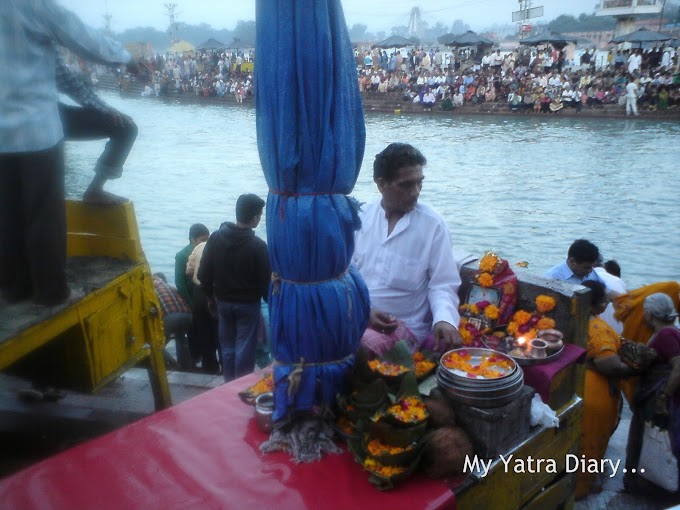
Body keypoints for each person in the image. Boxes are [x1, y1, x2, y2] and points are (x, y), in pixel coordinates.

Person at [0, 0, 132, 305]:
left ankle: (16, 288)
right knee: (44, 212)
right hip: (35, 127)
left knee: (9, 212)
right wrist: (125, 58)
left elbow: (65, 76)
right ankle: (51, 292)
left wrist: (102, 107)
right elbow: (78, 34)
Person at [353, 143, 462, 357]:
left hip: (403, 325)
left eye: (420, 184)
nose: (416, 192)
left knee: (358, 349)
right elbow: (345, 274)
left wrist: (444, 320)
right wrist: (364, 312)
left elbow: (443, 283)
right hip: (357, 314)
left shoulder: (433, 224)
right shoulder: (361, 217)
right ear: (381, 184)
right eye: (406, 185)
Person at [198, 194, 271, 382]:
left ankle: (228, 385)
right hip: (248, 306)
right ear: (254, 217)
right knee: (244, 350)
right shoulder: (259, 246)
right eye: (260, 215)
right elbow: (265, 283)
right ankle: (239, 387)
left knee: (228, 349)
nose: (260, 218)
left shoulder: (215, 239)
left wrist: (210, 296)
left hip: (223, 303)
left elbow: (203, 273)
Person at [576, 280, 637, 499]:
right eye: (604, 300)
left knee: (576, 439)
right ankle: (582, 487)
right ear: (598, 304)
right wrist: (631, 367)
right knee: (591, 441)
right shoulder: (597, 328)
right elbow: (608, 364)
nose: (606, 304)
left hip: (576, 385)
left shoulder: (571, 318)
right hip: (595, 392)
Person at [56, 57, 138, 205]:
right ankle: (95, 189)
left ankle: (95, 191)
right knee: (125, 128)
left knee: (125, 127)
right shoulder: (40, 36)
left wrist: (105, 108)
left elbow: (68, 81)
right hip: (42, 118)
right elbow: (69, 82)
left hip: (46, 117)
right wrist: (123, 57)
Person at [624, 293, 680, 499]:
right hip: (658, 395)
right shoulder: (668, 332)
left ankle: (655, 486)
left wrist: (664, 397)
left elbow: (678, 367)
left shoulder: (667, 334)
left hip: (662, 398)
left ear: (649, 314)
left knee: (657, 441)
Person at [152, 273, 194, 370]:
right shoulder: (170, 287)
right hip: (187, 315)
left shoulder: (151, 290)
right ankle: (186, 366)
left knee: (157, 344)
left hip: (170, 317)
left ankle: (172, 364)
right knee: (181, 338)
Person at [175, 224, 209, 308]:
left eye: (208, 239)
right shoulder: (181, 256)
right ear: (193, 240)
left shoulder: (209, 251)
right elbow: (180, 283)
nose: (206, 243)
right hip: (192, 295)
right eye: (203, 240)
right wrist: (191, 304)